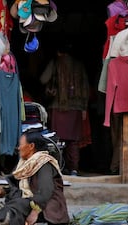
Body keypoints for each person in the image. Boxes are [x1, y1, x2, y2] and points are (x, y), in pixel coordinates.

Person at [0, 131, 69, 225]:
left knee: (18, 204)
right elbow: (21, 188)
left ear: (31, 146)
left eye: (21, 144)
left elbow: (46, 192)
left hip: (48, 208)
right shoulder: (26, 164)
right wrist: (3, 191)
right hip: (31, 201)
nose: (18, 148)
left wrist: (34, 213)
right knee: (2, 203)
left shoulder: (44, 164)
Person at [40, 44, 90, 176]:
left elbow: (43, 79)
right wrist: (84, 107)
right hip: (76, 108)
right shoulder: (79, 65)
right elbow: (86, 87)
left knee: (56, 140)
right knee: (73, 141)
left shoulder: (55, 62)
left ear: (58, 52)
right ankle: (73, 169)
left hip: (57, 107)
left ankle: (57, 169)